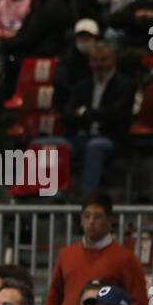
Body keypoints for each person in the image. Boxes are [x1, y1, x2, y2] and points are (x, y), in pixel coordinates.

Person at [44, 191, 151, 305]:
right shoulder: (66, 255)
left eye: (98, 216)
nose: (91, 221)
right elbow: (53, 299)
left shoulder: (126, 259)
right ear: (81, 220)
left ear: (110, 220)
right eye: (87, 216)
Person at [60, 41, 134, 194]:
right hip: (82, 137)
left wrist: (86, 114)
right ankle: (47, 196)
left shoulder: (125, 85)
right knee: (48, 144)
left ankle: (89, 198)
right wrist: (92, 115)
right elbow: (67, 113)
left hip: (112, 138)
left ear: (114, 60)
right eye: (95, 60)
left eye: (103, 59)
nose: (99, 64)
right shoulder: (82, 85)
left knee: (95, 146)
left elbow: (116, 114)